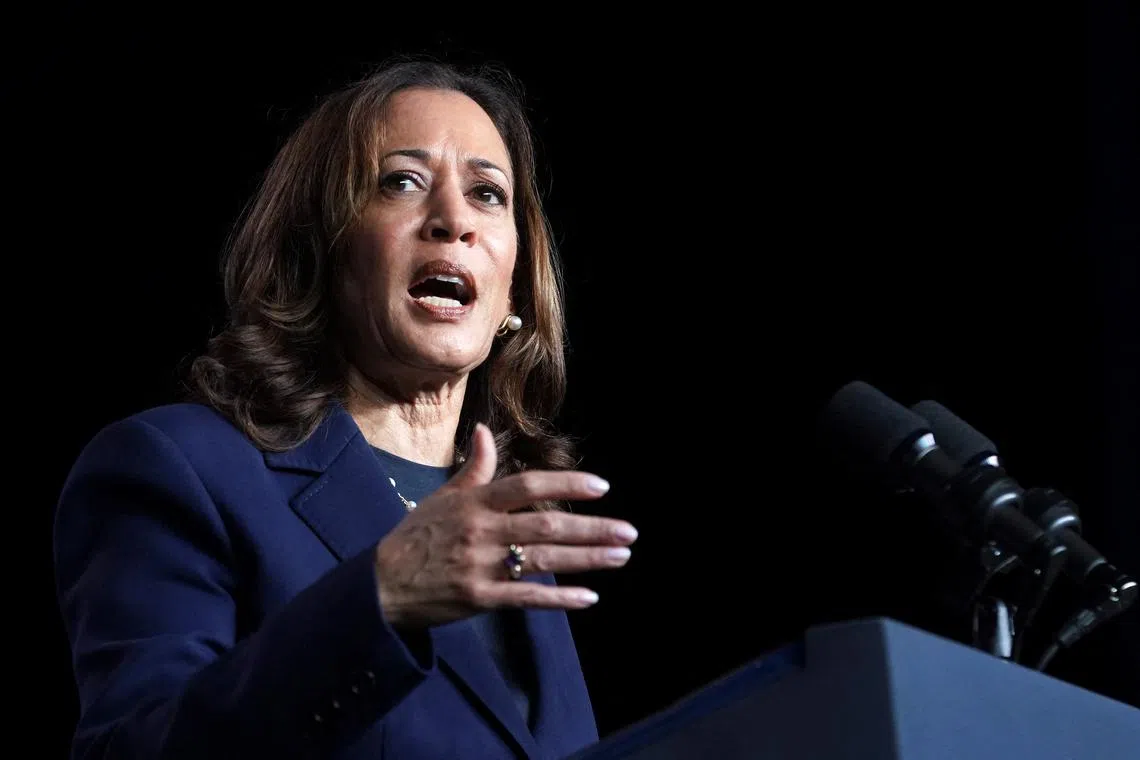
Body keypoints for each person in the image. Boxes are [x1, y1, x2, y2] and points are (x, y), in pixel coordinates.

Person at [52, 57, 639, 760]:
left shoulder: (514, 528)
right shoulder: (180, 469)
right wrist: (379, 600)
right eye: (401, 182)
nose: (454, 221)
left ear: (513, 289)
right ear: (318, 246)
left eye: (488, 194)